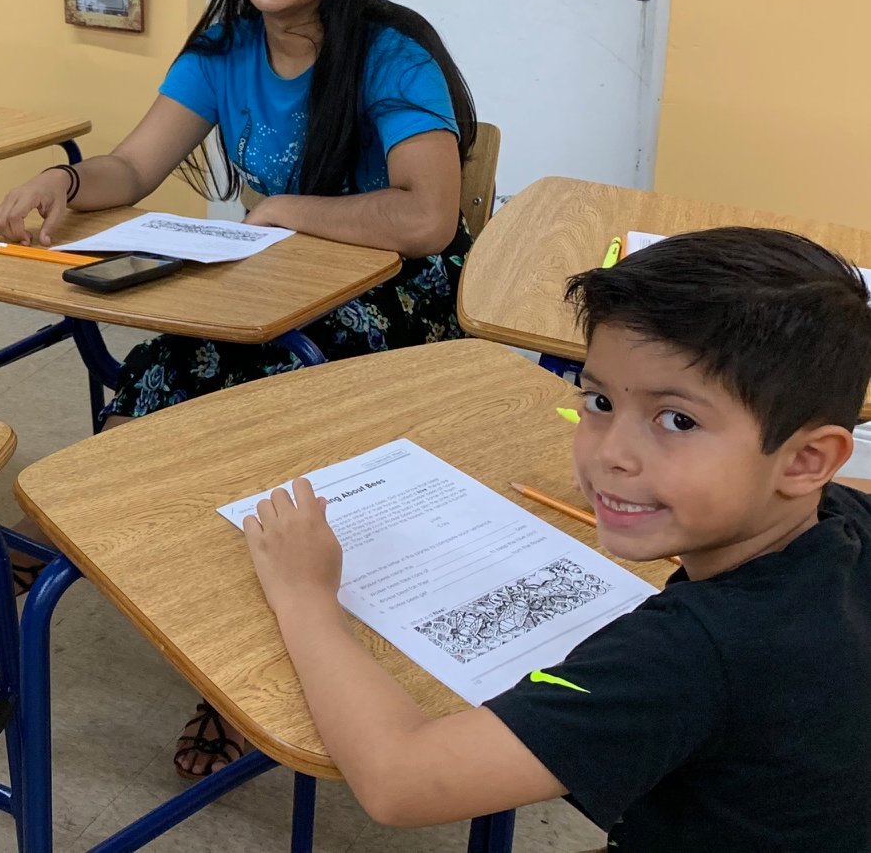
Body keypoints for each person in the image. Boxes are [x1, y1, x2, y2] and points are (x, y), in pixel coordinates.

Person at [0, 0, 478, 778]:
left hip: (398, 295)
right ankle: (65, 537)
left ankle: (247, 667)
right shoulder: (226, 44)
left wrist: (286, 210)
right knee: (167, 370)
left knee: (252, 410)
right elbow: (134, 166)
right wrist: (66, 179)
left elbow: (427, 218)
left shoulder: (392, 52)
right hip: (278, 280)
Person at [245, 227, 871, 850]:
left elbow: (401, 781)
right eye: (599, 401)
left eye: (677, 420)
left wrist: (305, 595)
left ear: (806, 461)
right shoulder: (842, 521)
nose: (611, 454)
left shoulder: (689, 654)